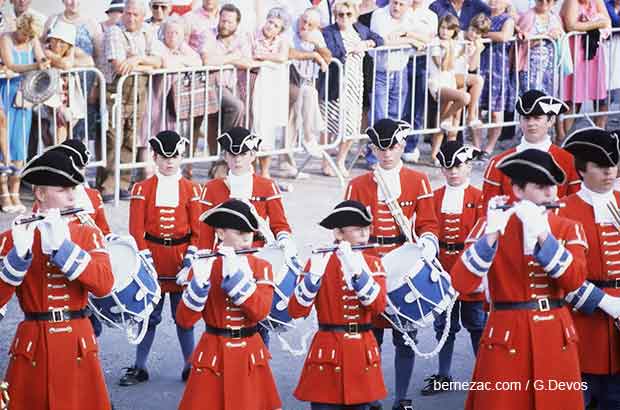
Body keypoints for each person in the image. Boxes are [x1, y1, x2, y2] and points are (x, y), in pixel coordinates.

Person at [451, 148, 588, 409]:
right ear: (518, 191)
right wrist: (490, 236)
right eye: (541, 186)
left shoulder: (567, 228)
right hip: (506, 337)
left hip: (555, 336)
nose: (551, 193)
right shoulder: (491, 226)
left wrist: (543, 237)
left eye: (553, 186)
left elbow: (574, 281)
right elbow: (461, 284)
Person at [0, 148, 114, 410]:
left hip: (77, 344)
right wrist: (17, 258)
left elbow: (104, 285)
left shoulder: (87, 232)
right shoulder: (13, 237)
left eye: (73, 187)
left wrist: (64, 248)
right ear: (40, 194)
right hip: (34, 345)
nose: (72, 196)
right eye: (63, 189)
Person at [345, 118, 440, 410]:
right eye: (380, 148)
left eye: (394, 147)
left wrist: (426, 243)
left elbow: (428, 223)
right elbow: (348, 227)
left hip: (403, 268)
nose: (387, 153)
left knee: (405, 337)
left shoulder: (418, 180)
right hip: (370, 265)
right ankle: (370, 397)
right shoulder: (358, 184)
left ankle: (402, 398)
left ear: (402, 146)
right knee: (369, 338)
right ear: (372, 148)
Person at [176, 199, 282, 410]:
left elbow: (260, 312)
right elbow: (184, 320)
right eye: (239, 233)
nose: (246, 240)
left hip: (249, 354)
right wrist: (198, 284)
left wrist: (235, 278)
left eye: (250, 234)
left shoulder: (262, 266)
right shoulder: (205, 265)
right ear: (221, 233)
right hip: (213, 351)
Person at [198, 127, 297, 345]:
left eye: (243, 153)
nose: (237, 159)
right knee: (220, 316)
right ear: (225, 156)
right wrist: (200, 261)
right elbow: (204, 235)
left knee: (259, 318)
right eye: (232, 154)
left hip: (258, 258)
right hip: (223, 260)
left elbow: (280, 223)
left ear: (253, 155)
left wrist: (285, 241)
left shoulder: (266, 186)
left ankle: (260, 367)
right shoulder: (213, 188)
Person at [289, 200, 388, 409]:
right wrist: (313, 275)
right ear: (339, 233)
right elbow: (297, 310)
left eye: (367, 228)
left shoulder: (373, 263)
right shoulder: (319, 261)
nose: (365, 234)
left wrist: (358, 273)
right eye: (358, 229)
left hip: (362, 350)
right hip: (328, 351)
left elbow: (378, 307)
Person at [121, 130, 202, 385]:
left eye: (175, 156)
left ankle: (191, 367)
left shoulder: (192, 189)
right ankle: (139, 366)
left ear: (181, 157)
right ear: (154, 157)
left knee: (184, 317)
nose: (169, 162)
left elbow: (199, 233)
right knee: (148, 315)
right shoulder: (142, 189)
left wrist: (189, 262)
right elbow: (136, 230)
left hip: (180, 260)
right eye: (164, 157)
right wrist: (146, 262)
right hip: (152, 259)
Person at [558, 127, 620, 409]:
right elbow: (559, 275)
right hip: (583, 324)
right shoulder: (563, 210)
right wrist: (607, 303)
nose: (610, 172)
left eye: (614, 165)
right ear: (582, 169)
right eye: (601, 166)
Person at [420, 141, 488, 395]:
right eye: (447, 167)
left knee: (477, 325)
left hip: (470, 268)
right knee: (444, 326)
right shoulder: (434, 197)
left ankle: (485, 374)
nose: (453, 172)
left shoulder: (479, 197)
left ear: (469, 166)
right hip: (441, 271)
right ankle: (444, 374)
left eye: (458, 166)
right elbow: (426, 229)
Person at [98, 0, 163, 201]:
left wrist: (135, 59)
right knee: (112, 136)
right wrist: (146, 63)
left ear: (143, 16)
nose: (131, 18)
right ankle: (107, 186)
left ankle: (123, 184)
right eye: (128, 13)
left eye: (135, 14)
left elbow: (159, 61)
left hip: (139, 89)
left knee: (130, 137)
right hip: (116, 89)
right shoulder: (114, 32)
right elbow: (118, 65)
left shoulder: (147, 31)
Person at [481, 89, 581, 210]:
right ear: (520, 121)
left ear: (551, 121)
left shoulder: (568, 160)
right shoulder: (499, 163)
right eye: (526, 118)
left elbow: (576, 208)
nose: (531, 123)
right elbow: (487, 212)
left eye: (537, 118)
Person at [320, 0, 384, 176]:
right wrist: (350, 50)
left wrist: (366, 44)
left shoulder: (360, 30)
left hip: (355, 84)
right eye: (340, 14)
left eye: (348, 14)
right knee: (329, 125)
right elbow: (331, 52)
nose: (344, 18)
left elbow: (379, 39)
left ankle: (340, 160)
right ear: (335, 15)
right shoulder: (328, 32)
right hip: (335, 83)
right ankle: (326, 163)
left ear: (354, 15)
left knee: (352, 126)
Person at [0, 12, 49, 213]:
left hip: (24, 96)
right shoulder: (5, 38)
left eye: (31, 36)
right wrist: (35, 66)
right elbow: (10, 64)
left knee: (20, 143)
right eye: (25, 35)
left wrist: (44, 61)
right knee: (4, 143)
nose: (27, 39)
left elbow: (41, 56)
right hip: (5, 92)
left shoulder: (33, 39)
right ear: (19, 28)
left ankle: (15, 192)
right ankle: (4, 193)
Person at [558, 0, 611, 141]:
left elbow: (608, 22)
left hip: (595, 51)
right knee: (574, 96)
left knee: (600, 95)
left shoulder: (597, 1)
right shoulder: (571, 2)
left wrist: (587, 26)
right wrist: (598, 23)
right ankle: (565, 138)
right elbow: (571, 26)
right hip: (577, 51)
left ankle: (600, 135)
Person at [41, 21, 94, 145]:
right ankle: (56, 156)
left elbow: (89, 61)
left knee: (65, 125)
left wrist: (70, 55)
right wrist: (68, 58)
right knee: (55, 126)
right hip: (47, 96)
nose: (58, 45)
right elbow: (66, 64)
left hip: (67, 97)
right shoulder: (45, 50)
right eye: (55, 40)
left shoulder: (72, 51)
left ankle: (59, 156)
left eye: (63, 42)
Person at [478, 2, 515, 159]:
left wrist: (483, 34)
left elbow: (504, 36)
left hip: (499, 69)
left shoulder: (508, 19)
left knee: (496, 112)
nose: (494, 2)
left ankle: (489, 147)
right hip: (479, 66)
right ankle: (477, 145)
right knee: (476, 110)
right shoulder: (482, 15)